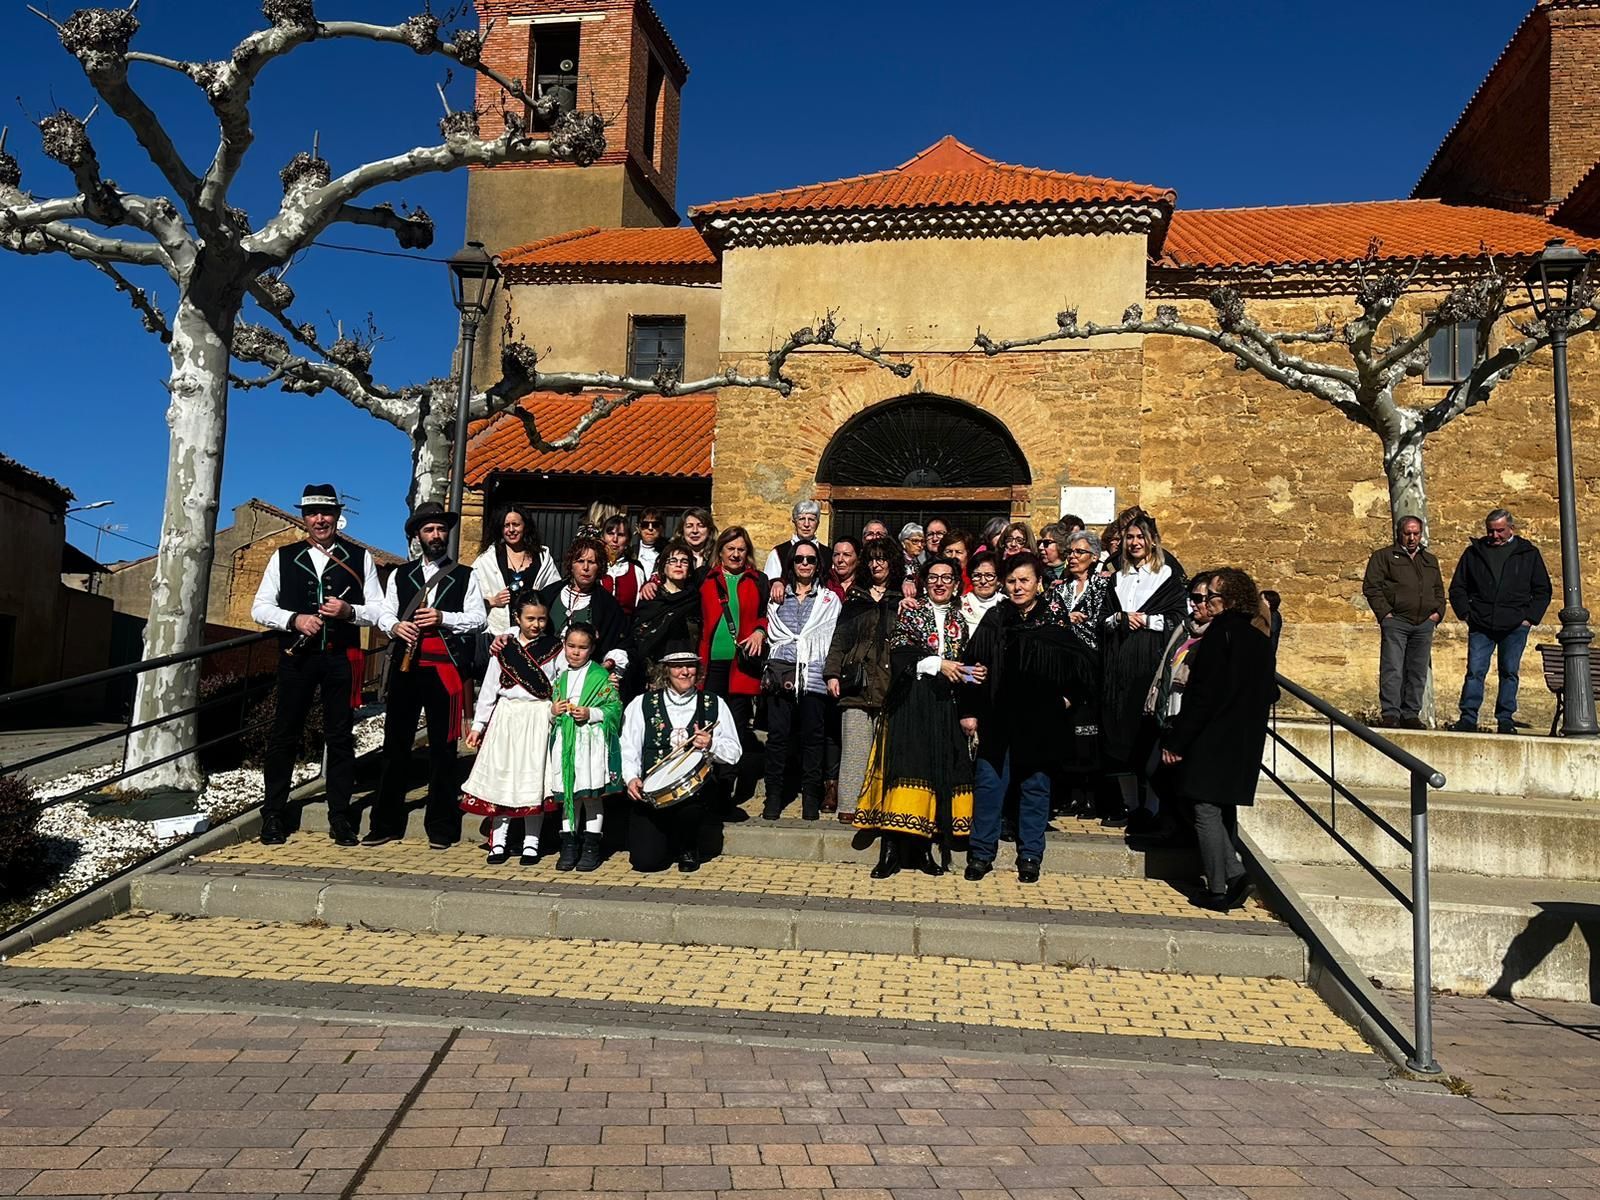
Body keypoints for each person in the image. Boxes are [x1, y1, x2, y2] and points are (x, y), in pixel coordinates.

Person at [250, 483, 384, 847]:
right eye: (313, 513)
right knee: (284, 735)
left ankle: (340, 816)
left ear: (337, 516)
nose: (320, 519)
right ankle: (273, 814)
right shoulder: (283, 556)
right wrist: (295, 620)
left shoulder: (360, 557)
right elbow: (260, 607)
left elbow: (378, 610)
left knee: (340, 737)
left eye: (326, 512)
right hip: (297, 659)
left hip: (340, 657)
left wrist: (349, 611)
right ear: (304, 518)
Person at [962, 553, 1093, 883]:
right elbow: (972, 665)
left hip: (1040, 722)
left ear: (1039, 583)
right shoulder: (996, 618)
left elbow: (1083, 667)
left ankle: (1031, 854)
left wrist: (1067, 699)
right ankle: (981, 853)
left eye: (1024, 580)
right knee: (990, 785)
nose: (1018, 587)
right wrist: (970, 710)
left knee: (1035, 788)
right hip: (999, 718)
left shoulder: (1053, 620)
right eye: (1012, 581)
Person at [369, 502, 488, 848]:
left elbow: (477, 619)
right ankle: (385, 823)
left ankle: (442, 826)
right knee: (395, 747)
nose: (436, 535)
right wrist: (396, 626)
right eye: (429, 530)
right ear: (417, 536)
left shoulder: (466, 575)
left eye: (440, 529)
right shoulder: (399, 575)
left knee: (443, 749)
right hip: (406, 670)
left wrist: (442, 618)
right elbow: (385, 614)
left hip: (444, 669)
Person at [1162, 568, 1278, 911]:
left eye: (1212, 595)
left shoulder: (1219, 636)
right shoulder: (1257, 637)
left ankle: (1217, 886)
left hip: (1214, 737)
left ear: (1227, 600)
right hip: (1243, 739)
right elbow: (1268, 691)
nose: (1207, 600)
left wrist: (1177, 741)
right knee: (1219, 808)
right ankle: (1235, 873)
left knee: (1204, 808)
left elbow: (1203, 696)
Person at [854, 558, 977, 877]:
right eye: (933, 577)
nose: (939, 583)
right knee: (904, 770)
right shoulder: (910, 611)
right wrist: (938, 663)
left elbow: (962, 660)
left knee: (934, 775)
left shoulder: (960, 621)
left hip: (943, 705)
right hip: (910, 702)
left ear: (955, 584)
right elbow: (900, 653)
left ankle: (923, 852)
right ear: (924, 582)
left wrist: (970, 673)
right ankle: (891, 851)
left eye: (946, 578)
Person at [1099, 514, 1187, 831]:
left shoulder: (1167, 577)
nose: (1134, 543)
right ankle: (1130, 806)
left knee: (1147, 735)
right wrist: (1121, 619)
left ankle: (1151, 808)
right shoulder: (1117, 577)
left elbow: (1180, 619)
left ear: (1152, 540)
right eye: (1130, 537)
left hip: (1150, 668)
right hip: (1119, 669)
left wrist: (1147, 620)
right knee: (1120, 734)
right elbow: (1104, 619)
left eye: (1140, 537)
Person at [622, 645, 743, 873]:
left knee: (691, 805)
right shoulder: (642, 703)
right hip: (651, 793)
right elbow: (628, 747)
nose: (685, 672)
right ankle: (664, 840)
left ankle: (688, 845)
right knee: (646, 862)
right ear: (666, 671)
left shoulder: (714, 703)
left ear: (698, 671)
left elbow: (734, 752)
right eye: (678, 667)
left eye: (690, 666)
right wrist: (630, 778)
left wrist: (711, 744)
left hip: (694, 793)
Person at [461, 594, 557, 866]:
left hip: (537, 716)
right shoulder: (503, 648)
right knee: (501, 779)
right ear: (517, 618)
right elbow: (490, 688)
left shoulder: (554, 647)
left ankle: (531, 842)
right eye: (530, 618)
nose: (536, 624)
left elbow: (560, 683)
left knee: (533, 778)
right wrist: (478, 726)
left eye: (541, 618)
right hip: (506, 717)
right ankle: (499, 840)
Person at [1448, 508, 1553, 733]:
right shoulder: (1473, 553)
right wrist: (1466, 614)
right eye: (1490, 531)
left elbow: (1542, 590)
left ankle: (1505, 718)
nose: (1494, 536)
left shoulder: (1528, 554)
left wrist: (1529, 619)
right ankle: (1468, 717)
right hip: (1481, 623)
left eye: (1500, 531)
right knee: (1475, 670)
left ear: (1511, 529)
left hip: (1515, 625)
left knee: (1509, 671)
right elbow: (1458, 587)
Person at [761, 539, 842, 820]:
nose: (804, 564)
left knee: (813, 739)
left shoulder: (829, 601)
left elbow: (832, 639)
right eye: (799, 559)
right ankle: (773, 796)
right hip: (781, 675)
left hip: (814, 678)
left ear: (818, 564)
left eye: (810, 559)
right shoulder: (777, 597)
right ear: (791, 565)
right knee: (778, 738)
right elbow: (771, 632)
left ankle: (810, 797)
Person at [825, 538, 898, 825]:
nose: (876, 564)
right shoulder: (855, 598)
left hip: (890, 686)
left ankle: (880, 807)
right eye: (872, 559)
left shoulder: (900, 598)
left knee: (884, 753)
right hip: (856, 685)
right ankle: (849, 805)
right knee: (855, 749)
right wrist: (832, 673)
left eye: (882, 559)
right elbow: (839, 639)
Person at [699, 526, 768, 809]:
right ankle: (706, 789)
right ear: (721, 551)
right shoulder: (706, 578)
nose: (736, 554)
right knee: (709, 725)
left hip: (741, 665)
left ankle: (726, 792)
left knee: (736, 728)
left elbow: (766, 614)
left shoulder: (758, 580)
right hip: (711, 664)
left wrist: (760, 632)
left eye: (741, 549)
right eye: (731, 549)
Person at [546, 622, 623, 871]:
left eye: (582, 647)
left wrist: (591, 713)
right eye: (571, 646)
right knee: (569, 795)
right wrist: (553, 712)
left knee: (590, 796)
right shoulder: (561, 678)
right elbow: (551, 711)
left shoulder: (601, 676)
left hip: (590, 743)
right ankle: (569, 844)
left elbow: (614, 709)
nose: (575, 652)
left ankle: (591, 846)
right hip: (567, 743)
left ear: (591, 649)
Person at [1362, 517, 1444, 730]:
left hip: (1423, 624)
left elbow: (1438, 589)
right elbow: (1372, 587)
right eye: (1408, 533)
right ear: (1399, 533)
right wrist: (1385, 614)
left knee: (1417, 671)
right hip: (1396, 621)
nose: (1412, 538)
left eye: (1416, 533)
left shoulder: (1429, 560)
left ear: (1421, 533)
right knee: (1393, 668)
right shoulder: (1384, 557)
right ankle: (1391, 713)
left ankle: (1410, 714)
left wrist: (1437, 613)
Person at [1057, 530, 1111, 817]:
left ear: (1093, 557)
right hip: (1064, 668)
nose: (1073, 557)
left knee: (1088, 730)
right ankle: (1072, 794)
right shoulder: (1059, 588)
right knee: (1068, 732)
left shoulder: (1103, 587)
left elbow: (1106, 621)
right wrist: (1065, 619)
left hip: (1092, 666)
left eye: (1079, 552)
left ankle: (1092, 796)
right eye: (1070, 552)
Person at [538, 534, 631, 684]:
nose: (585, 567)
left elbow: (622, 643)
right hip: (543, 673)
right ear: (571, 565)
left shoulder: (608, 605)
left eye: (591, 562)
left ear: (599, 566)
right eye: (580, 561)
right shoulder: (549, 595)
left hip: (585, 679)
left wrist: (607, 665)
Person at [470, 504, 559, 653]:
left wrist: (538, 598)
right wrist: (492, 601)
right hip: (497, 634)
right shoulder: (488, 559)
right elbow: (469, 595)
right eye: (506, 525)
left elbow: (555, 589)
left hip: (533, 634)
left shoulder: (542, 557)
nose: (511, 530)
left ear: (525, 526)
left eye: (516, 524)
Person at [631, 540, 702, 672]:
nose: (678, 565)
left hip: (686, 667)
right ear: (663, 567)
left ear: (690, 570)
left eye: (684, 561)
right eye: (673, 561)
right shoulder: (651, 597)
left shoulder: (695, 599)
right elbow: (639, 635)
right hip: (654, 668)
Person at [762, 500, 822, 593]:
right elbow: (768, 583)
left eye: (811, 519)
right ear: (794, 521)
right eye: (801, 519)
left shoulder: (827, 553)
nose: (806, 524)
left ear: (817, 523)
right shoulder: (779, 553)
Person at [600, 514, 647, 617]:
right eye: (610, 533)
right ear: (603, 537)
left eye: (620, 535)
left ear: (628, 541)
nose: (614, 539)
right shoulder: (594, 566)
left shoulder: (636, 569)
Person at [959, 551, 1003, 635]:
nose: (983, 581)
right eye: (977, 576)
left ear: (998, 579)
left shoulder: (1006, 604)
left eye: (989, 576)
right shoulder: (960, 605)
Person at [678, 507, 717, 576]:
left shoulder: (718, 555)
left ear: (709, 530)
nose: (695, 531)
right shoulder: (671, 554)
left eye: (701, 526)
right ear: (682, 530)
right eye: (689, 526)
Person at [634, 508, 667, 577]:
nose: (650, 528)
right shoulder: (630, 552)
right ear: (638, 527)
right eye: (645, 524)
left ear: (661, 528)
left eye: (655, 524)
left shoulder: (668, 552)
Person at [827, 535, 860, 600]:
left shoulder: (865, 585)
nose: (840, 560)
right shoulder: (824, 583)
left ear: (858, 559)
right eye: (836, 555)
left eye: (846, 555)